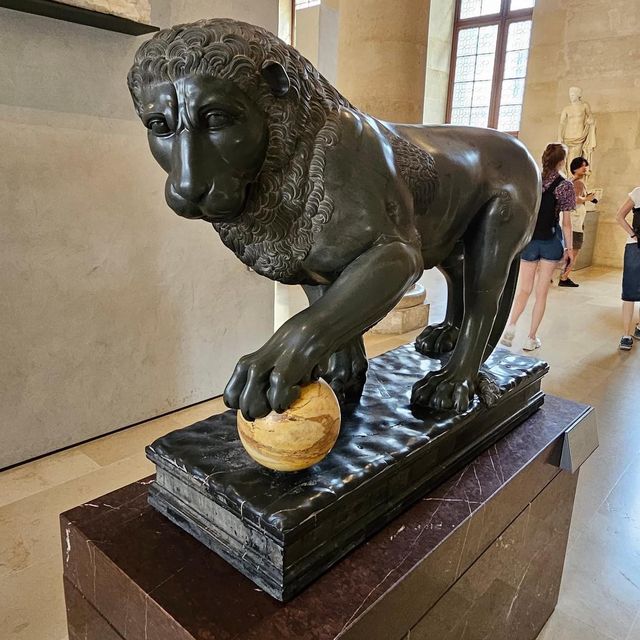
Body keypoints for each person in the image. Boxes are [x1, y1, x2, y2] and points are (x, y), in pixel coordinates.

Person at [501, 143, 575, 351]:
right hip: (550, 241)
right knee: (541, 293)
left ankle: (511, 327)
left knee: (523, 289)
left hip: (530, 240)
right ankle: (531, 338)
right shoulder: (565, 185)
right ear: (562, 162)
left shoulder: (532, 180)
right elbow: (567, 223)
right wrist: (570, 250)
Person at [559, 156, 597, 287]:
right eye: (582, 165)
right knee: (573, 252)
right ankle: (564, 277)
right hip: (574, 223)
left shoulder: (571, 181)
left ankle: (558, 275)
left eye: (586, 165)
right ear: (575, 168)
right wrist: (587, 199)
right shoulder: (578, 182)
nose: (585, 168)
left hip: (573, 221)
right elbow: (574, 200)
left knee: (568, 251)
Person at [614, 188, 640, 350]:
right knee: (630, 291)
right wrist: (632, 235)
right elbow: (619, 216)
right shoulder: (638, 192)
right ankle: (625, 334)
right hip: (635, 247)